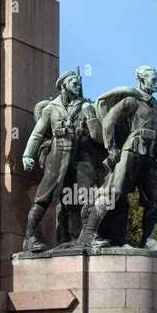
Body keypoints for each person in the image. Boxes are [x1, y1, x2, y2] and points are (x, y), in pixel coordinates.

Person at [78, 65, 157, 253]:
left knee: (155, 198)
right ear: (141, 80)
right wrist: (111, 148)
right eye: (153, 79)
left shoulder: (156, 105)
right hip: (132, 151)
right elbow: (109, 121)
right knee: (115, 192)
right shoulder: (131, 101)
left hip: (150, 155)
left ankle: (148, 239)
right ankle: (90, 234)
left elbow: (154, 134)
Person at [21, 70, 108, 252]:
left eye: (78, 82)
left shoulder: (86, 106)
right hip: (58, 156)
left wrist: (90, 117)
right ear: (63, 86)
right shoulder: (51, 108)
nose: (77, 85)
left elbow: (99, 137)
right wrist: (27, 155)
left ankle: (88, 236)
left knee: (90, 195)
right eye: (73, 82)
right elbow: (37, 134)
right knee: (44, 197)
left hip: (82, 157)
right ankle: (29, 238)